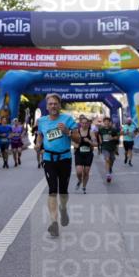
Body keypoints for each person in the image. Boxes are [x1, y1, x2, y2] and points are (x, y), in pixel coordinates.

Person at [34, 94, 79, 237]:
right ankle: (54, 222)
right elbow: (40, 135)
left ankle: (63, 208)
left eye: (55, 103)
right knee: (52, 190)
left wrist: (68, 132)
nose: (53, 106)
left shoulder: (68, 119)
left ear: (59, 105)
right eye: (50, 104)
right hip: (49, 159)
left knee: (63, 191)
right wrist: (38, 144)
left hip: (64, 159)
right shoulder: (42, 121)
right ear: (47, 106)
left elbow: (78, 139)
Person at [73, 114, 98, 193]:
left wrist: (89, 141)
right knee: (79, 171)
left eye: (86, 123)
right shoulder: (77, 131)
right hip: (79, 153)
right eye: (83, 123)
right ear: (80, 123)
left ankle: (84, 187)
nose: (84, 124)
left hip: (88, 154)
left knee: (86, 172)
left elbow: (96, 144)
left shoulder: (91, 132)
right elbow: (72, 141)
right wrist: (75, 145)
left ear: (88, 124)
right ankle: (79, 180)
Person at [96, 115, 120, 183]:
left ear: (109, 122)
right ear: (103, 122)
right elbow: (99, 134)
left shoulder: (113, 129)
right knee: (107, 159)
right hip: (104, 147)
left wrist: (112, 138)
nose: (106, 122)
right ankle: (108, 174)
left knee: (112, 159)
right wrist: (100, 140)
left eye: (108, 121)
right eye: (105, 121)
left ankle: (110, 168)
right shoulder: (101, 129)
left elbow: (117, 137)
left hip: (112, 147)